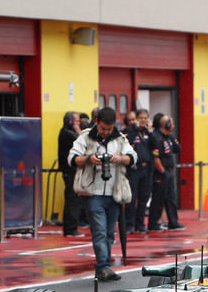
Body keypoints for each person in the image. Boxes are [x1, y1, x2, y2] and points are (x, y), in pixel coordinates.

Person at [68, 106, 136, 282]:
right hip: (93, 192)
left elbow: (132, 157)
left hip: (114, 193)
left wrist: (119, 159)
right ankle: (103, 266)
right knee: (99, 231)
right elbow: (72, 159)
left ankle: (102, 266)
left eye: (109, 129)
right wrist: (90, 159)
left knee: (109, 233)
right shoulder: (85, 137)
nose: (106, 132)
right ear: (96, 122)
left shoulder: (120, 139)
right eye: (103, 128)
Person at [148, 114, 184, 231]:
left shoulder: (169, 137)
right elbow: (156, 157)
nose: (173, 126)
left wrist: (172, 137)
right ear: (166, 125)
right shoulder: (156, 137)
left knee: (171, 198)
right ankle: (153, 224)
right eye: (171, 123)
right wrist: (162, 171)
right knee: (158, 199)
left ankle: (173, 222)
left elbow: (178, 149)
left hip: (169, 171)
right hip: (161, 173)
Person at [124, 108, 152, 234]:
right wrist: (135, 128)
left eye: (145, 118)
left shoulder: (148, 133)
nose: (143, 120)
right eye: (141, 118)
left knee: (144, 198)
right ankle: (129, 224)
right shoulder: (129, 131)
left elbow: (156, 145)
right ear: (136, 119)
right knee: (132, 197)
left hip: (147, 169)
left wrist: (150, 131)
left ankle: (140, 224)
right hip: (134, 169)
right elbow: (125, 145)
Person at [58, 111, 85, 237]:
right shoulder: (67, 133)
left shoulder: (67, 133)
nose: (79, 123)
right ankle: (70, 227)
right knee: (72, 199)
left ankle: (72, 226)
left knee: (75, 199)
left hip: (73, 170)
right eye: (76, 121)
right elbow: (83, 141)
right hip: (70, 171)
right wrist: (78, 129)